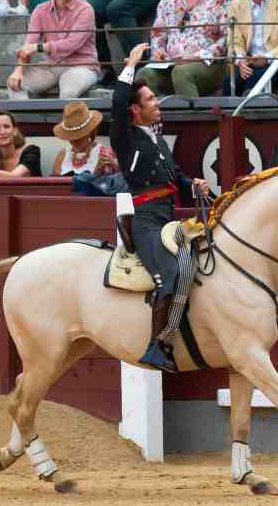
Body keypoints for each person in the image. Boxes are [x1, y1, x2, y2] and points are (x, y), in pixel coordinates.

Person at [111, 42, 211, 373]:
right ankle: (157, 346)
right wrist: (132, 63)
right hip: (147, 223)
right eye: (151, 99)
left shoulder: (155, 139)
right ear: (135, 110)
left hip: (166, 218)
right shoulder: (125, 139)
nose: (157, 102)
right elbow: (117, 104)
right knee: (169, 274)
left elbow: (176, 177)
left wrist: (193, 184)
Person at [135, 0, 233, 97]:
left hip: (209, 64)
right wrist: (159, 51)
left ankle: (192, 118)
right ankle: (154, 119)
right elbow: (158, 33)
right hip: (170, 64)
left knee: (181, 73)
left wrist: (197, 56)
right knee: (144, 74)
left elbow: (228, 39)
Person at [7, 0, 100, 99]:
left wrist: (38, 47)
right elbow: (28, 45)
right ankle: (28, 121)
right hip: (52, 65)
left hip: (83, 65)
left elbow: (72, 44)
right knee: (15, 85)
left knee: (68, 90)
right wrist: (18, 70)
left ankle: (65, 121)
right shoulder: (40, 10)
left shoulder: (86, 9)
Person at [52, 101, 119, 176]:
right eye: (70, 137)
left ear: (90, 132)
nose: (74, 141)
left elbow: (107, 184)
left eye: (79, 137)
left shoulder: (104, 154)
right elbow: (52, 185)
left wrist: (102, 170)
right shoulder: (63, 154)